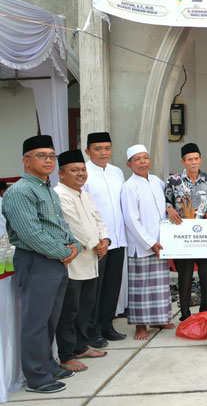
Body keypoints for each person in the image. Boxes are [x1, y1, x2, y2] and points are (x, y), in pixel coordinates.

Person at [2, 135, 80, 394]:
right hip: (37, 261)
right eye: (41, 155)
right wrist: (63, 252)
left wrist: (74, 246)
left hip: (56, 260)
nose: (48, 160)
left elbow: (61, 225)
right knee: (35, 321)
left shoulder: (47, 188)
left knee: (50, 319)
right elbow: (30, 233)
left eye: (51, 156)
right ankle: (35, 376)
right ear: (26, 161)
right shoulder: (19, 191)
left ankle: (48, 364)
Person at [54, 150, 109, 373]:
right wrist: (96, 242)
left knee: (85, 307)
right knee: (69, 311)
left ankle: (81, 346)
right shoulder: (60, 194)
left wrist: (105, 239)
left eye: (83, 170)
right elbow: (73, 225)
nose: (80, 174)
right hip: (74, 263)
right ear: (61, 174)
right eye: (74, 170)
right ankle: (67, 355)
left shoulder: (83, 194)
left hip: (92, 259)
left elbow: (98, 218)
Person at [121, 145, 174, 341]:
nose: (143, 162)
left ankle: (159, 319)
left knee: (160, 285)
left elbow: (167, 207)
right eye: (137, 159)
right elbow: (131, 220)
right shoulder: (129, 186)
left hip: (161, 243)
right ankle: (140, 326)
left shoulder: (157, 181)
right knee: (141, 288)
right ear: (129, 164)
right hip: (141, 246)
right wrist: (150, 242)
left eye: (145, 158)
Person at [82, 132, 128, 345]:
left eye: (107, 148)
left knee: (112, 285)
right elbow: (83, 209)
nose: (103, 153)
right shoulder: (84, 173)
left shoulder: (117, 172)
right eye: (98, 148)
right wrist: (95, 238)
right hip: (98, 242)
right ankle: (92, 331)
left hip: (118, 240)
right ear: (88, 151)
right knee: (95, 289)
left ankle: (107, 325)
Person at [164, 143, 207, 321]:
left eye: (196, 159)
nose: (193, 162)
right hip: (182, 236)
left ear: (201, 159)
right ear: (183, 161)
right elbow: (165, 200)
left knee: (205, 277)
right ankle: (185, 313)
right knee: (184, 278)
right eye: (189, 159)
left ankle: (205, 312)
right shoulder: (174, 180)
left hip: (204, 236)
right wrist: (168, 208)